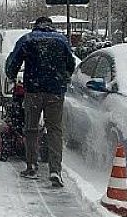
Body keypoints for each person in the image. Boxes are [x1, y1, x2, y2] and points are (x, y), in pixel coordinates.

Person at [5, 16, 76, 187]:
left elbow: (13, 63)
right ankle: (55, 170)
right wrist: (63, 78)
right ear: (50, 26)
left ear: (35, 26)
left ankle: (31, 166)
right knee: (54, 130)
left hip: (34, 91)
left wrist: (12, 76)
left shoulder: (28, 39)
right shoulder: (61, 40)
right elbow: (71, 64)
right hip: (56, 92)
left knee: (31, 128)